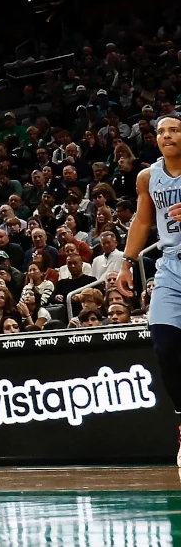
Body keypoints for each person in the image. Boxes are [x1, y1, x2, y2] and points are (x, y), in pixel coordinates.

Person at [119, 114, 181, 466]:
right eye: (160, 131)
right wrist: (126, 262)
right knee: (164, 345)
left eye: (173, 130)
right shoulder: (148, 177)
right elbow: (143, 221)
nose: (166, 135)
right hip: (171, 265)